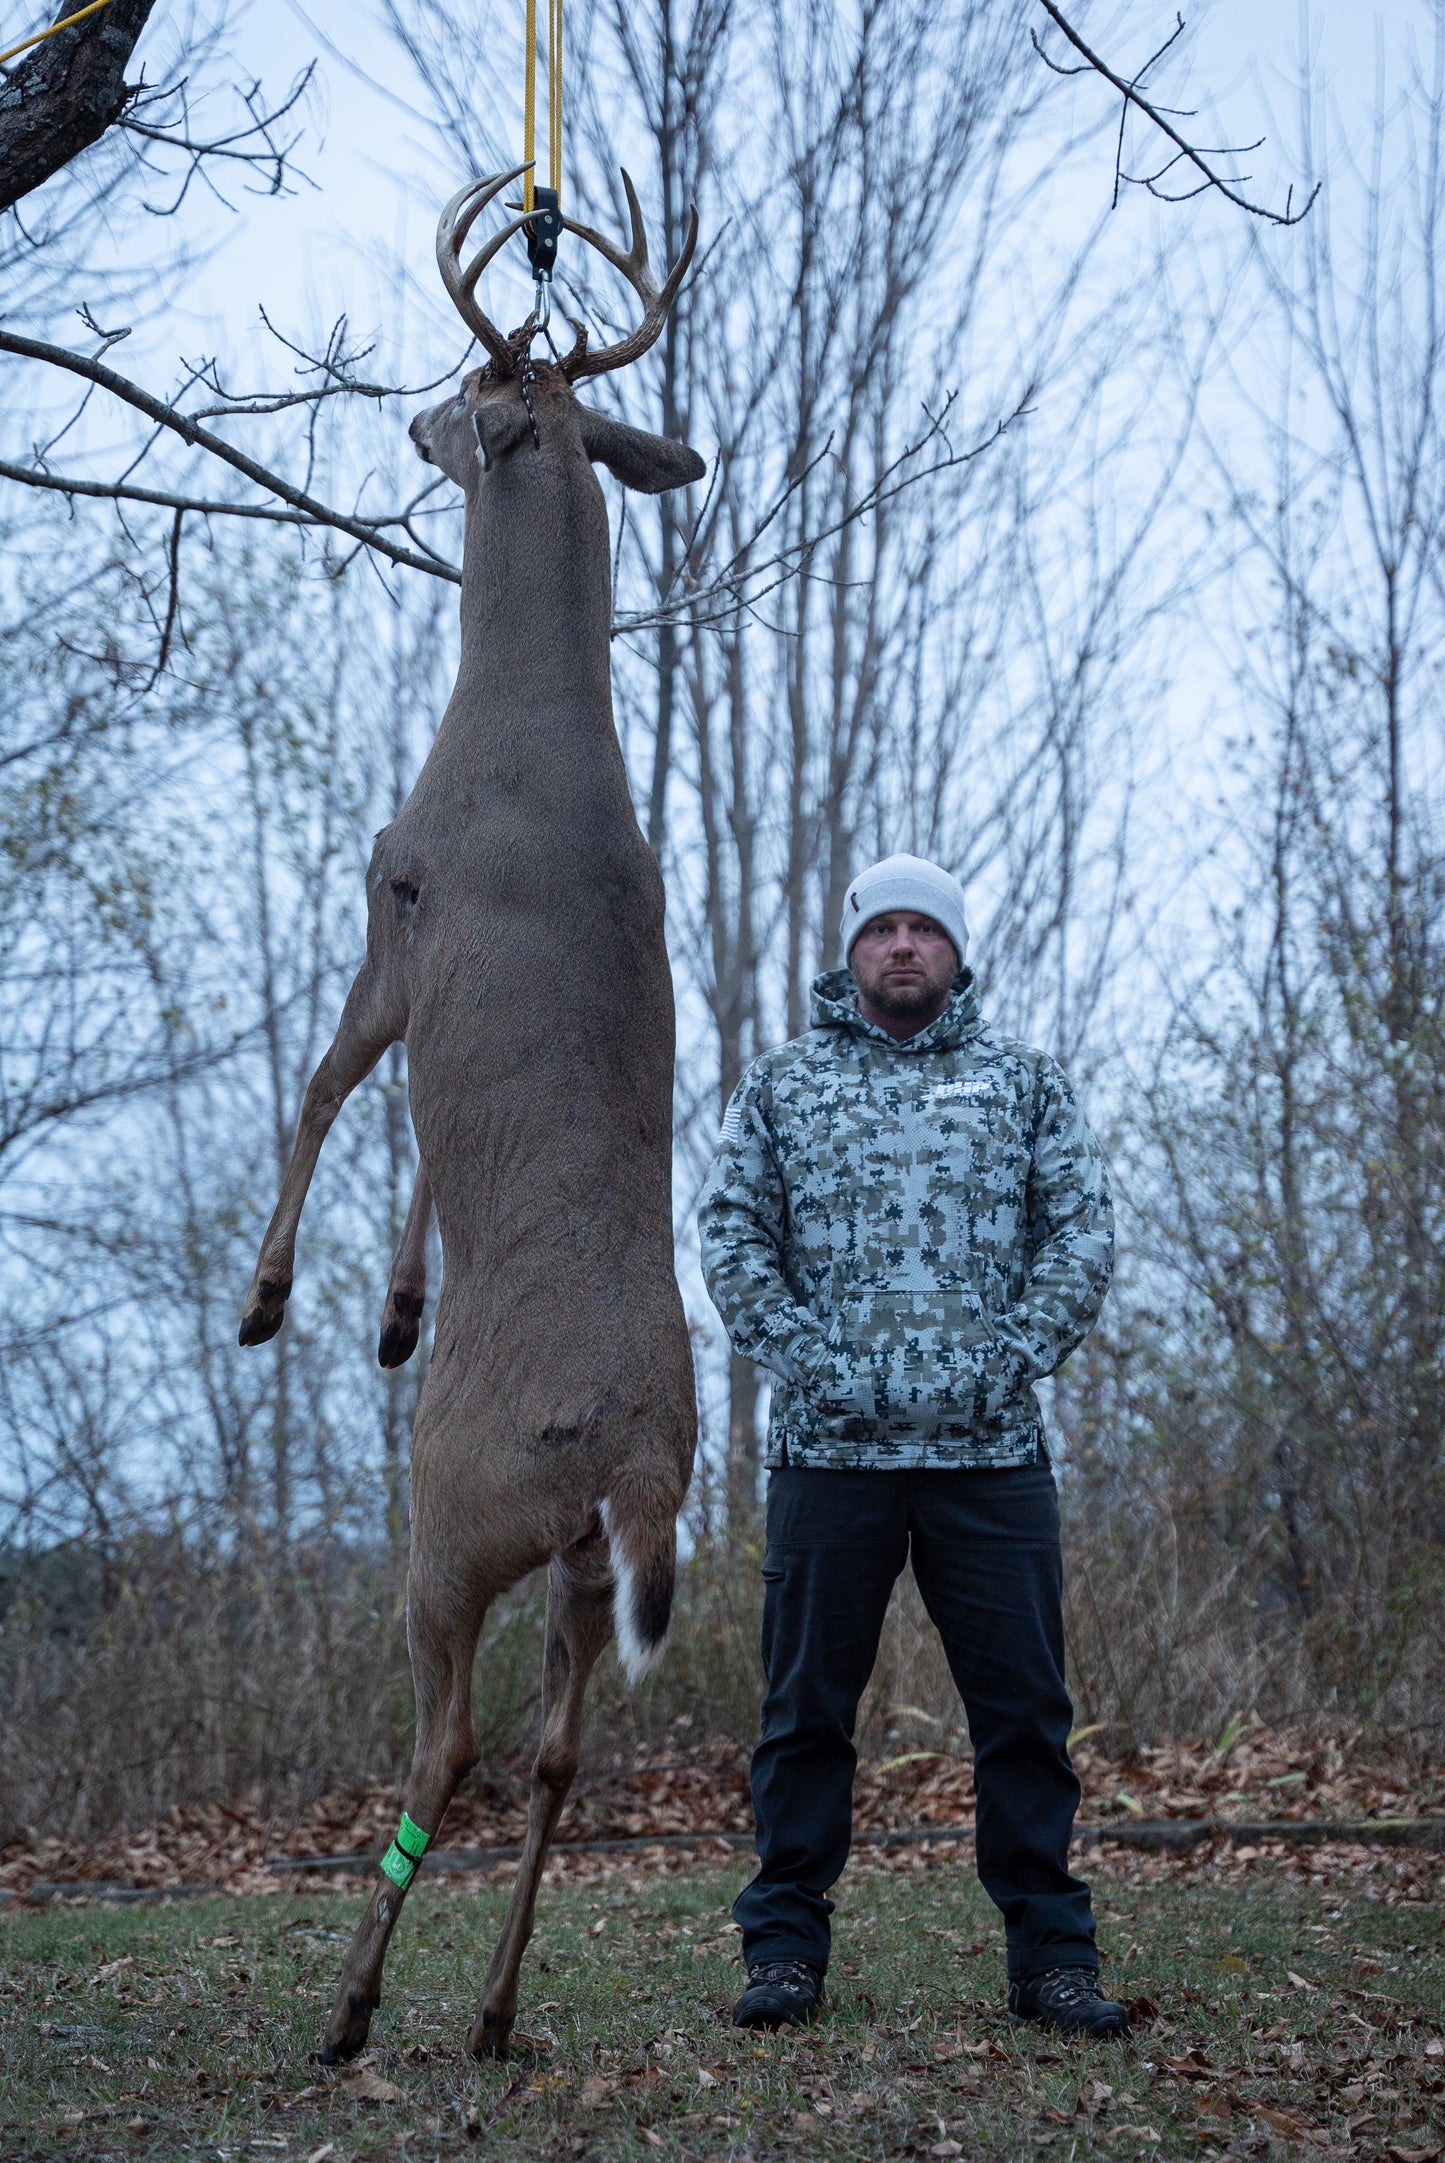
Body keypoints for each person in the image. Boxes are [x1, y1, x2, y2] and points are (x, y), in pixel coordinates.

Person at [697, 852, 1127, 2039]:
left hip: (989, 1459)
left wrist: (1011, 1352)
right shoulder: (782, 1086)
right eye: (879, 929)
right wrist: (806, 1357)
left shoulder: (1021, 1084)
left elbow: (1080, 1229)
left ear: (953, 952)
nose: (899, 946)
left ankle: (1051, 1963)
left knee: (1025, 1718)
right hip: (828, 1458)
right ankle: (781, 1952)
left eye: (920, 930)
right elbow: (731, 1232)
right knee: (803, 1717)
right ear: (851, 954)